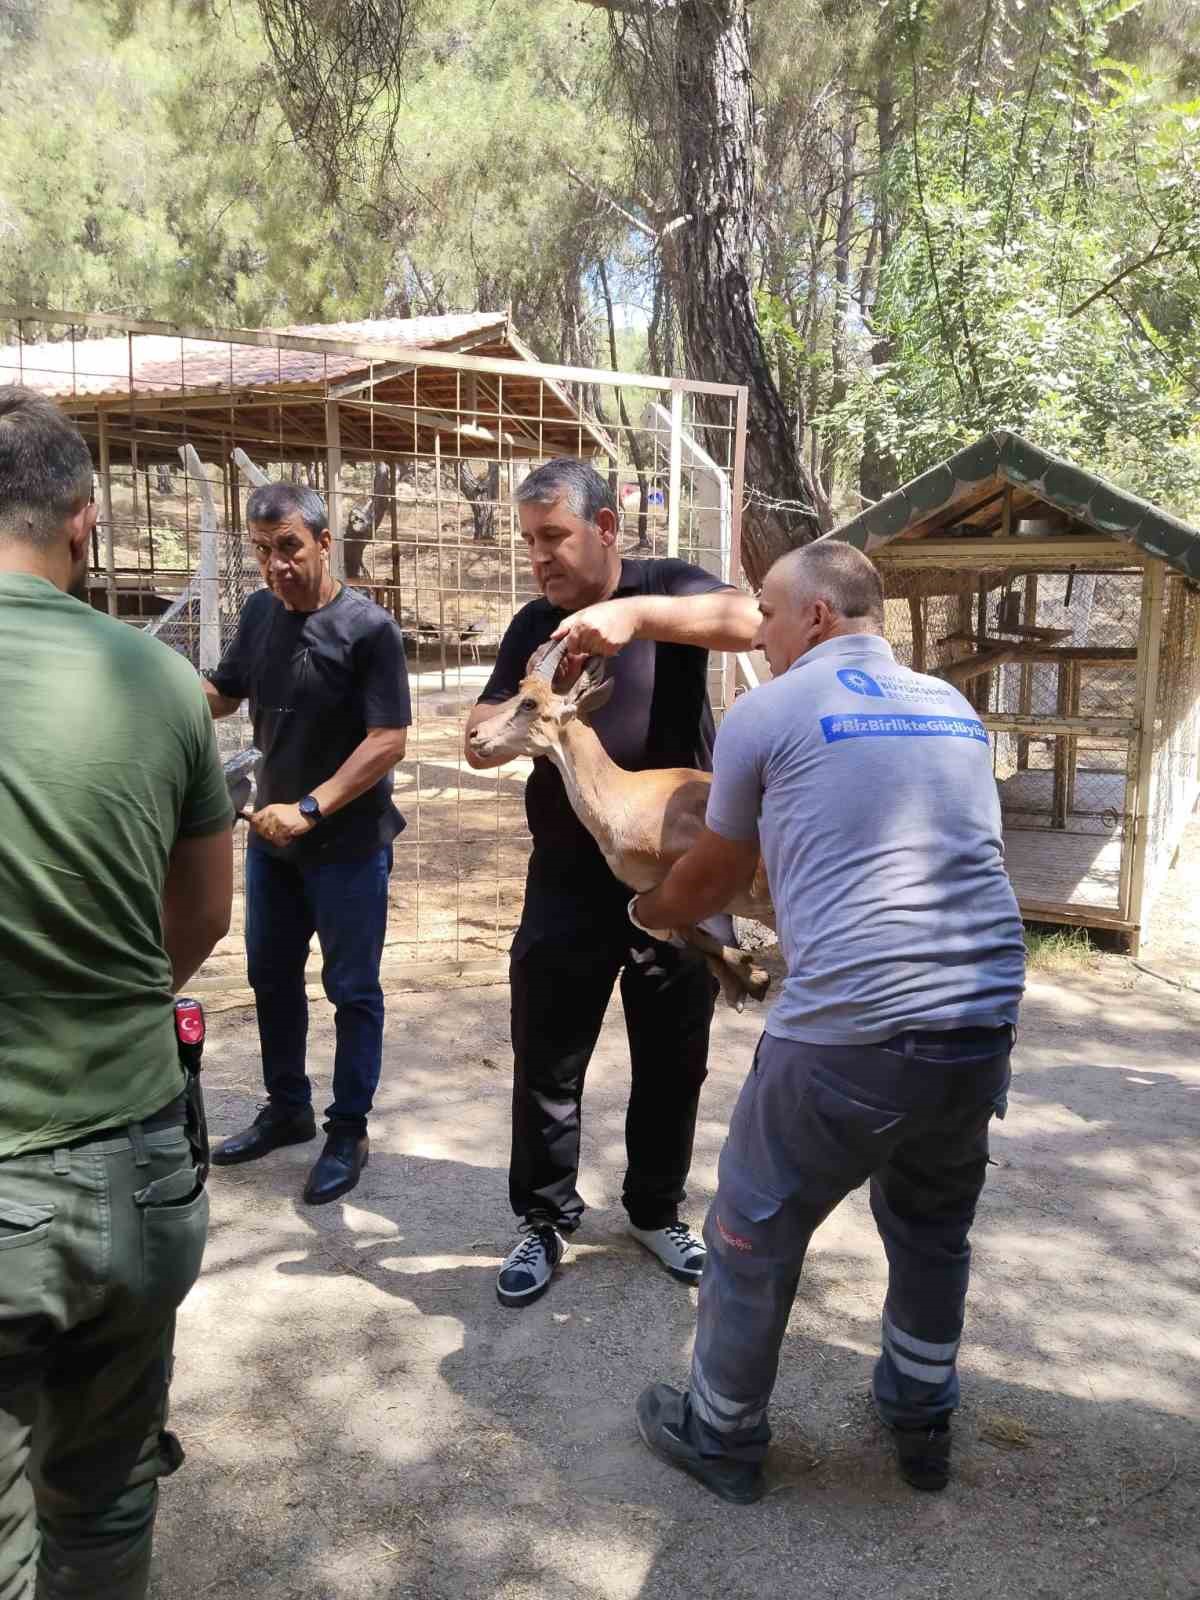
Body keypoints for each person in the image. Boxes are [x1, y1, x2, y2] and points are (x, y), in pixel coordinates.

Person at [630, 539, 1025, 1503]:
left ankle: (720, 1432)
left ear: (815, 617)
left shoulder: (767, 709)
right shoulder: (953, 707)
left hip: (852, 1026)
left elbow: (717, 875)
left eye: (765, 612)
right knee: (933, 1228)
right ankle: (922, 1417)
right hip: (980, 1017)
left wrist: (649, 910)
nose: (755, 633)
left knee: (753, 1227)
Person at [0, 386, 234, 1597]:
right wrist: (112, 991)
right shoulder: (160, 682)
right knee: (103, 1505)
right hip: (137, 1170)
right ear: (85, 523)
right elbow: (198, 916)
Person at [465, 458, 759, 1307]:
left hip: (686, 874)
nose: (540, 557)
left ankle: (655, 1209)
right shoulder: (535, 624)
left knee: (675, 1059)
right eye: (530, 541)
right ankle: (545, 1219)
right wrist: (489, 726)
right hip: (568, 877)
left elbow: (749, 618)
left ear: (605, 528)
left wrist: (631, 614)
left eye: (553, 536)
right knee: (548, 1058)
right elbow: (487, 725)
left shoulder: (666, 587)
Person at [204, 482, 411, 1205]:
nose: (275, 565)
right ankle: (287, 1108)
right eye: (261, 550)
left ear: (325, 542)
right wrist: (148, 685)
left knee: (351, 990)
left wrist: (312, 807)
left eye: (288, 547)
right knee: (271, 978)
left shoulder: (369, 628)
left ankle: (347, 1129)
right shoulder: (261, 611)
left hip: (348, 845)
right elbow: (225, 692)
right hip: (272, 845)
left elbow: (388, 739)